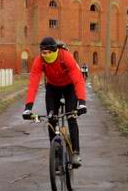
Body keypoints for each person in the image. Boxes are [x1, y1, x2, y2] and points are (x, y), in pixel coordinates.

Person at [22, 36, 87, 167]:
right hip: (53, 89)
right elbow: (33, 83)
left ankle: (75, 153)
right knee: (51, 119)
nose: (46, 55)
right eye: (43, 53)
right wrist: (28, 107)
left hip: (69, 88)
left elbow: (78, 79)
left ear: (55, 50)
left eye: (48, 53)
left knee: (71, 116)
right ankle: (56, 155)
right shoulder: (39, 61)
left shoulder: (65, 56)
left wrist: (82, 102)